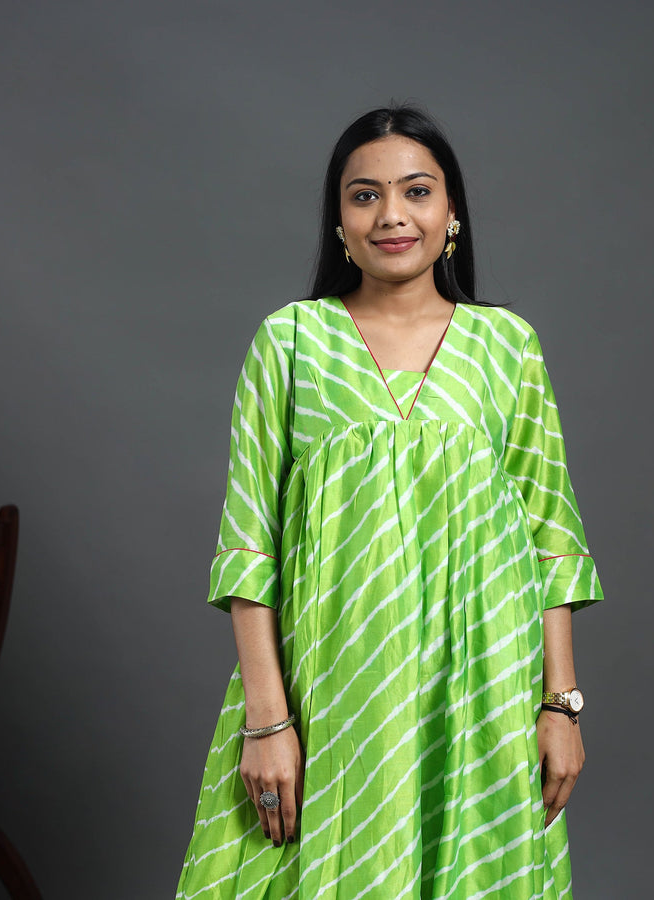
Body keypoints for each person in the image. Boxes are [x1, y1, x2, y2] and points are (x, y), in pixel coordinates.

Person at [177, 104, 603, 900]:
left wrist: (561, 705)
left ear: (452, 213)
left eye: (416, 191)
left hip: (481, 688)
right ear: (338, 221)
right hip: (334, 691)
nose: (392, 215)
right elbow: (248, 547)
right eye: (364, 195)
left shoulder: (507, 346)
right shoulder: (290, 342)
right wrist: (268, 721)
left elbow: (551, 535)